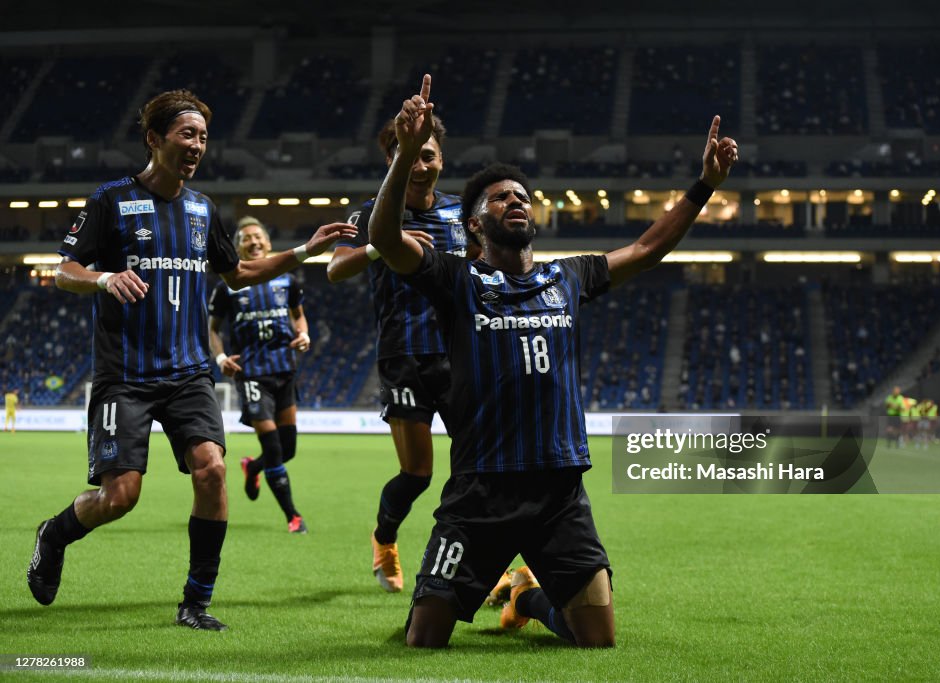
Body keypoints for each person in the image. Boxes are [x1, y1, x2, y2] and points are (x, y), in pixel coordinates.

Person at [369, 75, 738, 648]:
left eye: (522, 195)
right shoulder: (455, 279)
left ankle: (528, 598)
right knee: (423, 639)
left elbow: (645, 250)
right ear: (474, 224)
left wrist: (704, 186)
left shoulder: (568, 275)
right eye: (500, 197)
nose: (515, 200)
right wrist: (405, 158)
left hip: (559, 492)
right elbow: (386, 238)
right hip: (480, 492)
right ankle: (473, 590)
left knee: (596, 639)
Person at [26, 89, 354, 631]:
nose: (197, 145)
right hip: (124, 376)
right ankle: (54, 534)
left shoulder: (203, 210)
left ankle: (195, 602)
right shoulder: (110, 200)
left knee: (213, 468)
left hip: (188, 374)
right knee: (120, 496)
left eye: (202, 136)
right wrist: (104, 277)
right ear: (154, 139)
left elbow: (238, 274)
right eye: (186, 134)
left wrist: (302, 252)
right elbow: (65, 269)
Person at [327, 108, 473, 593]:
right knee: (418, 473)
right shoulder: (372, 213)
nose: (418, 164)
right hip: (405, 355)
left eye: (427, 154)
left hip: (462, 355)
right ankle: (384, 537)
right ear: (392, 160)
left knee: (483, 467)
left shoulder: (461, 212)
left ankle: (489, 565)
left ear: (441, 160)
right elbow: (335, 269)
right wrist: (383, 244)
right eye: (406, 154)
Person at [209, 216, 311, 534]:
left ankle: (252, 467)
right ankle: (293, 516)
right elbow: (213, 329)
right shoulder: (228, 285)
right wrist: (221, 357)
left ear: (268, 242)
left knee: (288, 448)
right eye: (246, 239)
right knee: (274, 448)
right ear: (238, 247)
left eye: (258, 237)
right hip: (251, 374)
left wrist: (304, 334)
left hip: (284, 369)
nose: (253, 242)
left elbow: (299, 318)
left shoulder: (288, 281)